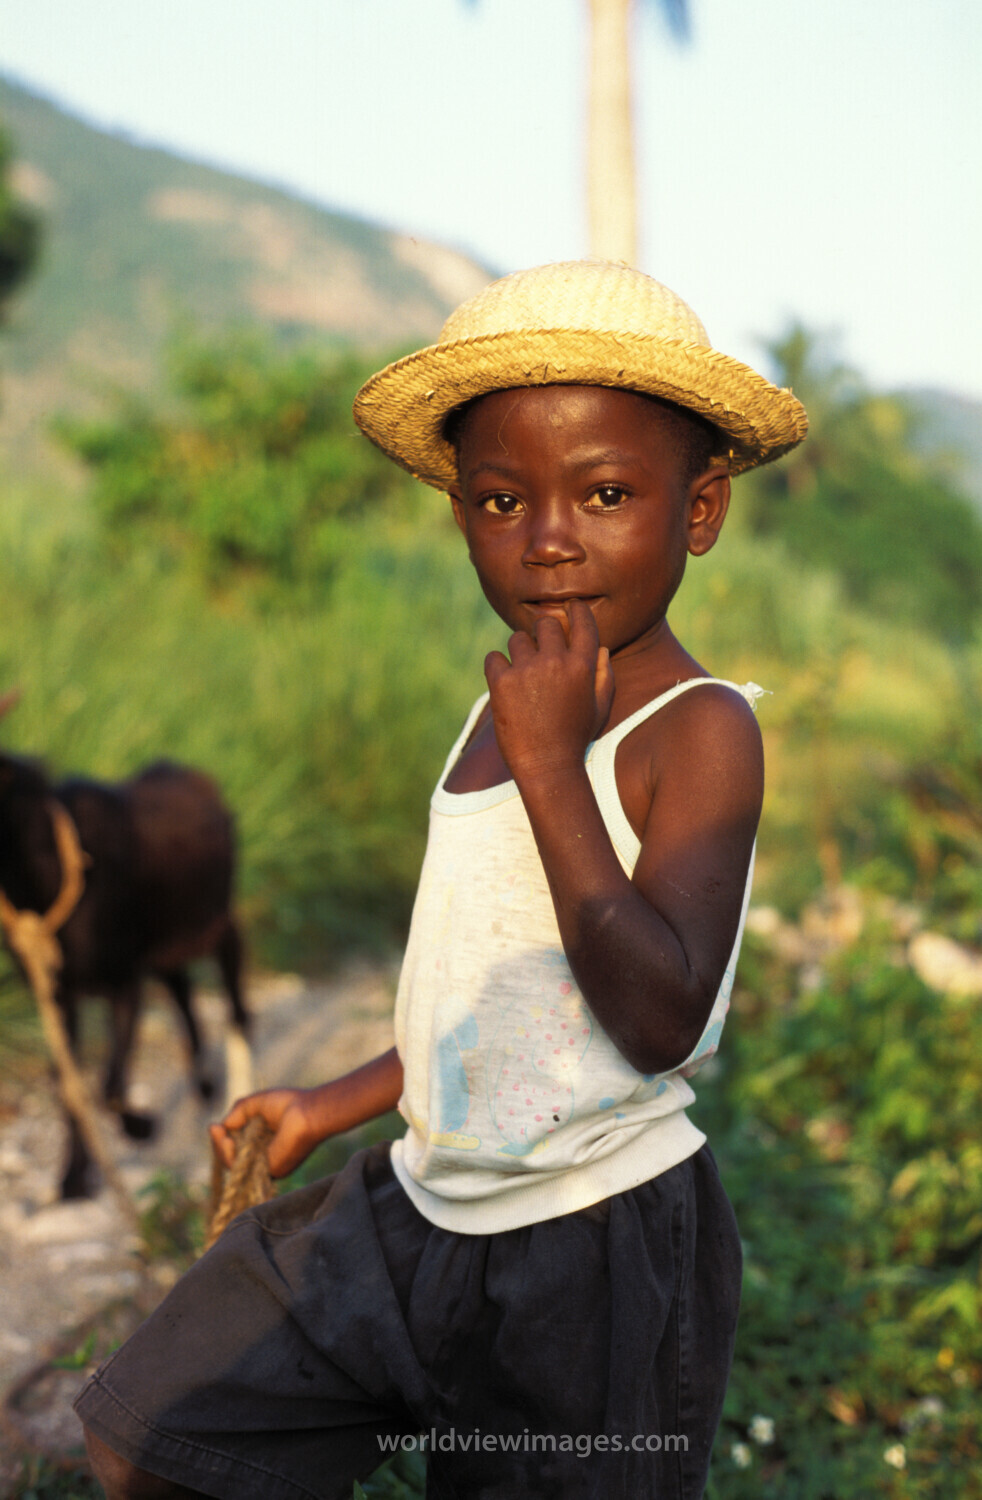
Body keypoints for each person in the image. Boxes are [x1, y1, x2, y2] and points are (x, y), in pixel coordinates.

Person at [76, 260, 807, 1500]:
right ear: (461, 514)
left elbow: (656, 1019)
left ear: (700, 511)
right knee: (148, 1432)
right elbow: (498, 995)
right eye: (502, 500)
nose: (550, 539)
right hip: (419, 1202)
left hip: (591, 1246)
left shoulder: (696, 731)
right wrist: (336, 1101)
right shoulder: (500, 708)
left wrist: (552, 769)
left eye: (607, 493)